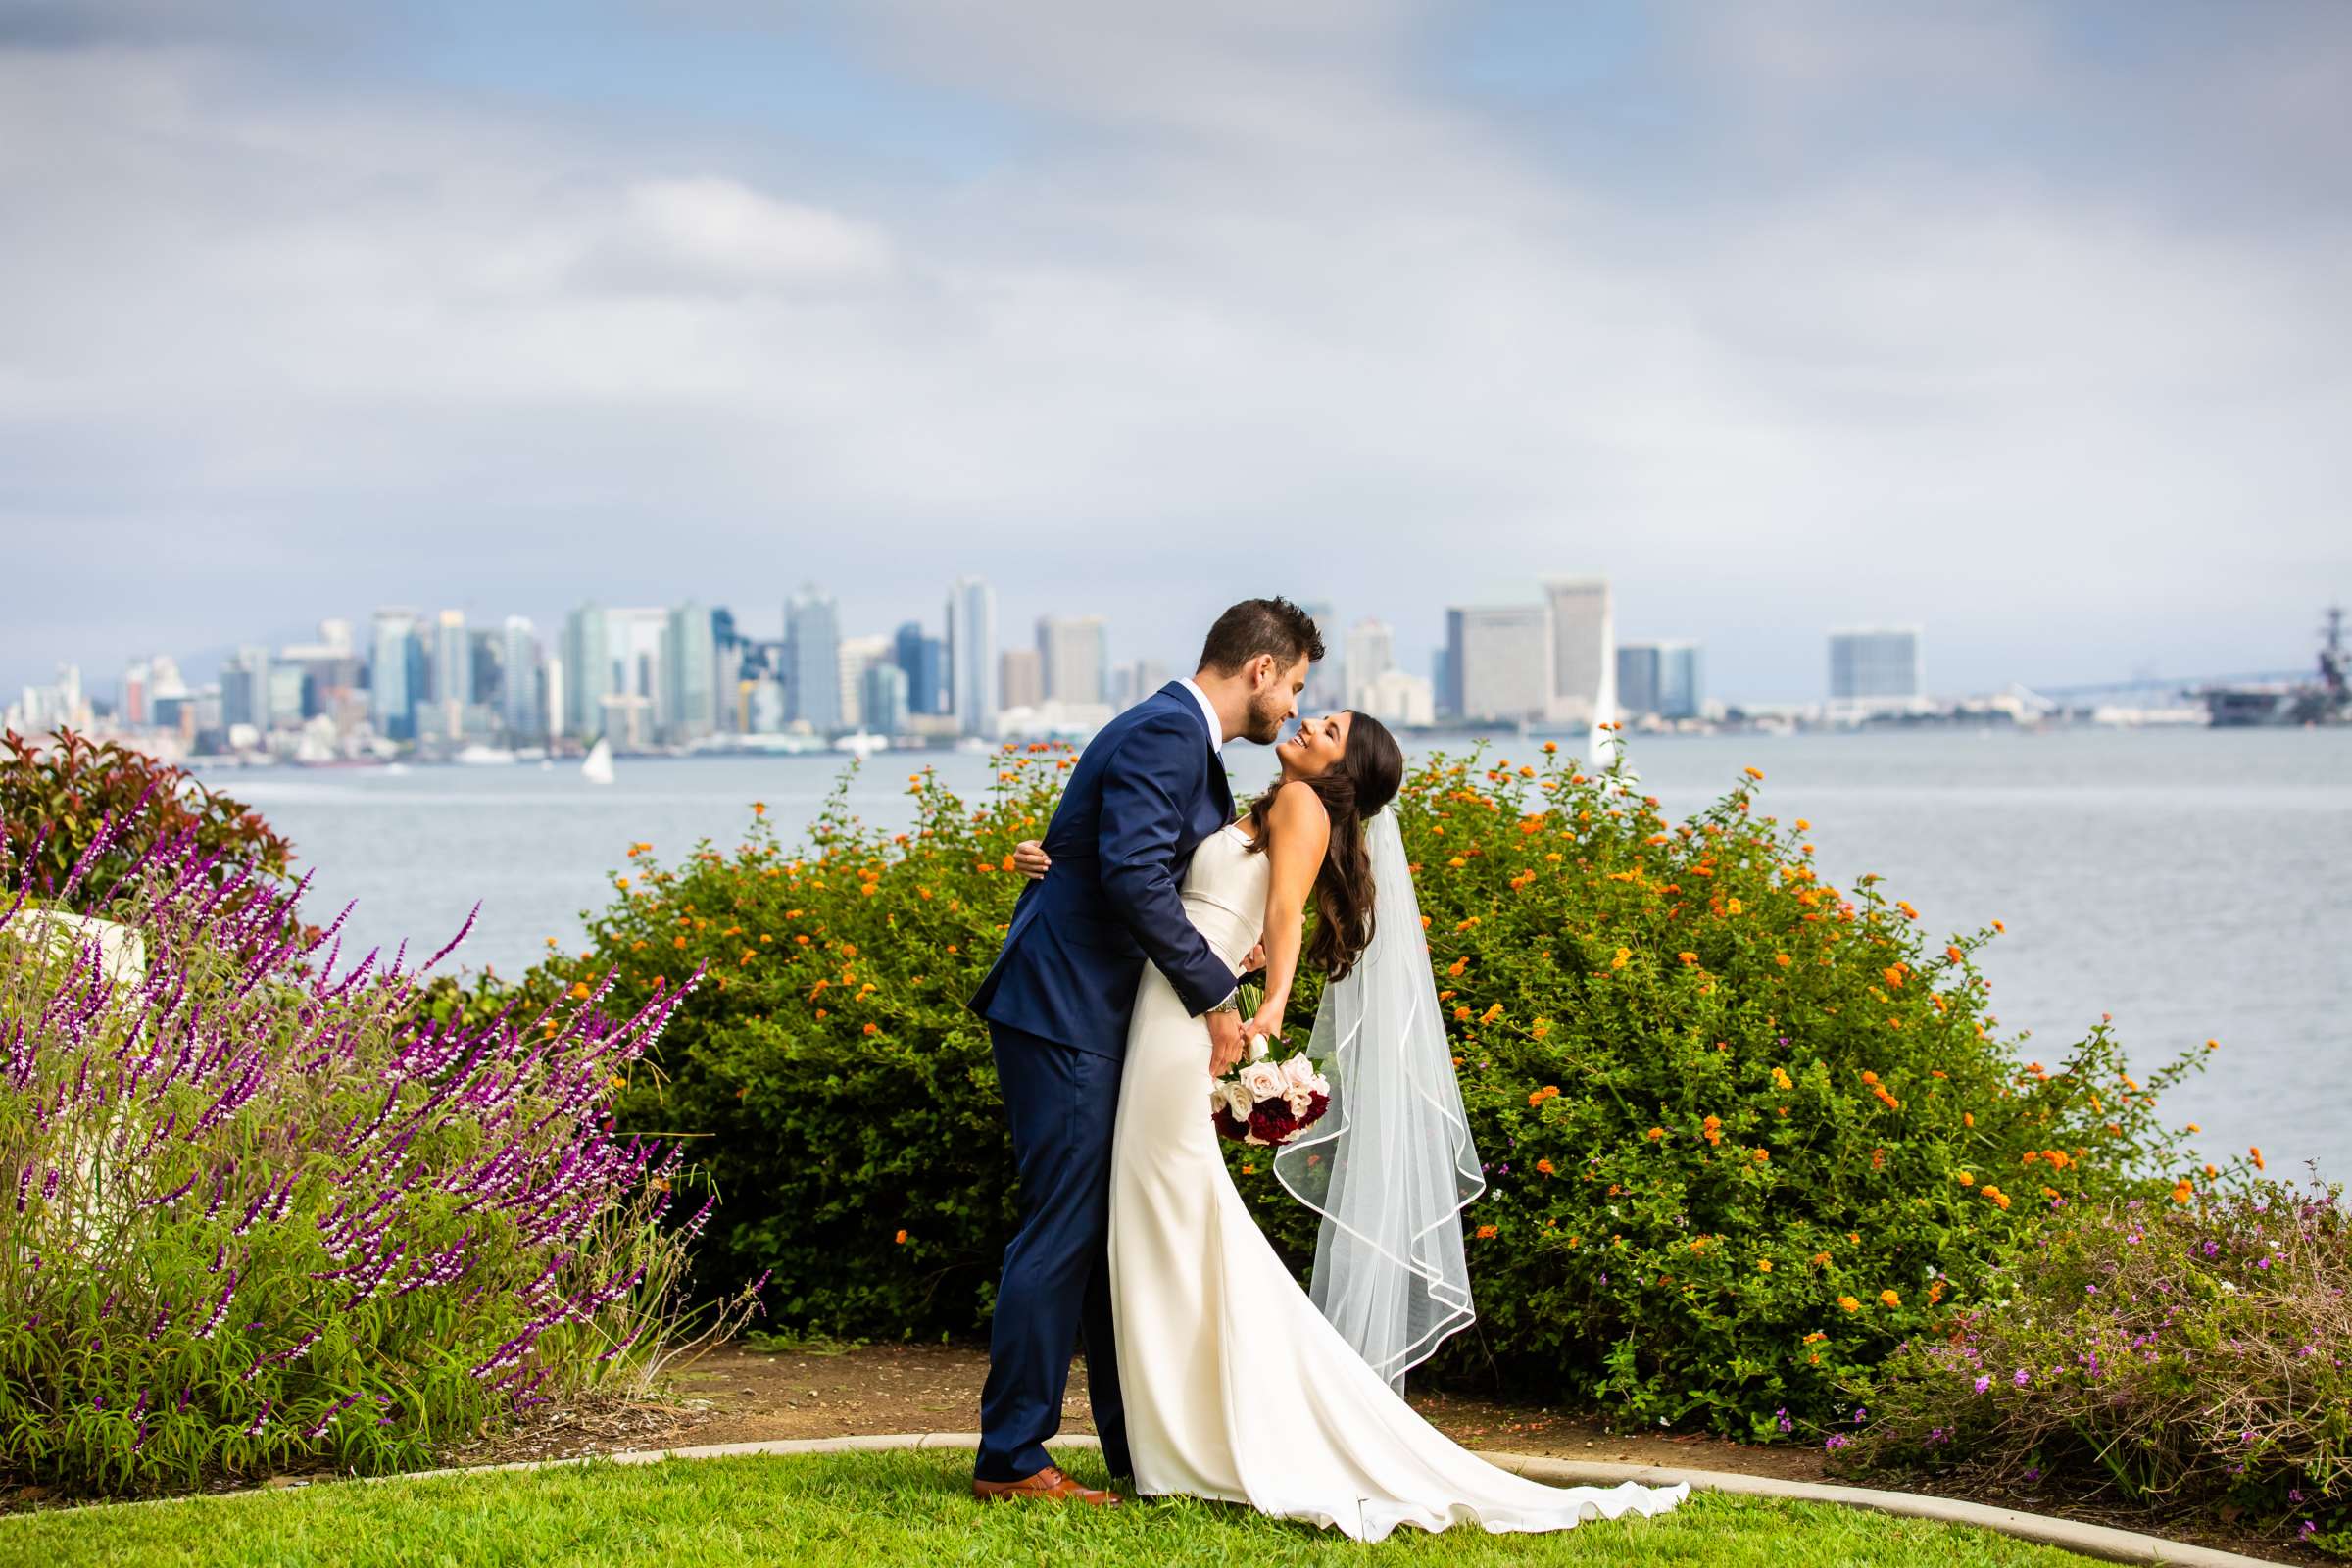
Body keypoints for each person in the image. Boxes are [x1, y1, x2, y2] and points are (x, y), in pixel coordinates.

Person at [1006, 707, 1692, 1541]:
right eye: (1312, 711)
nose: (1304, 723)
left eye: (1326, 728)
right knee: (1161, 1209)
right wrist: (1062, 867)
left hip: (1188, 1010)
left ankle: (1210, 1422)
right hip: (1173, 995)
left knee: (1167, 1203)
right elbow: (1165, 881)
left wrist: (1267, 1008)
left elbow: (1284, 916)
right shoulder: (1275, 804)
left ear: (1344, 767)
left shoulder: (1301, 804)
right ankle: (1173, 1427)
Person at [966, 596, 1319, 1505]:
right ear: (1261, 670)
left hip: (1093, 1007)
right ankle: (1010, 1456)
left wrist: (1065, 859)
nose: (1292, 709)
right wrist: (1215, 995)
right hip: (1066, 1009)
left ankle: (1137, 1450)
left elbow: (1129, 862)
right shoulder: (1169, 732)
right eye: (1297, 688)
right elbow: (1128, 872)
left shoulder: (1174, 738)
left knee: (1100, 1226)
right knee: (1065, 1225)